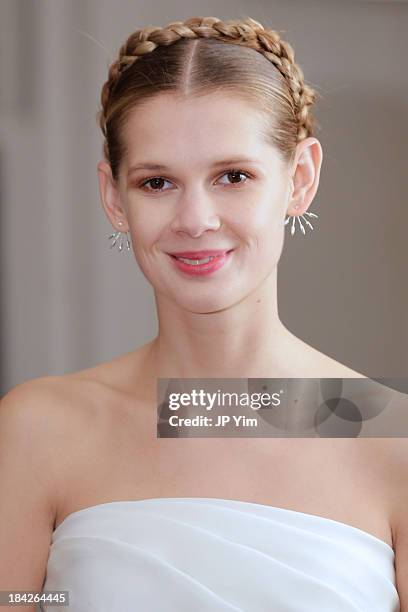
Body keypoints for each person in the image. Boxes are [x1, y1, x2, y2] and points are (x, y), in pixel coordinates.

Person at [0, 15, 406, 611]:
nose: (195, 219)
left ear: (300, 178)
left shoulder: (393, 439)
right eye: (157, 182)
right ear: (114, 197)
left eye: (233, 176)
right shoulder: (38, 429)